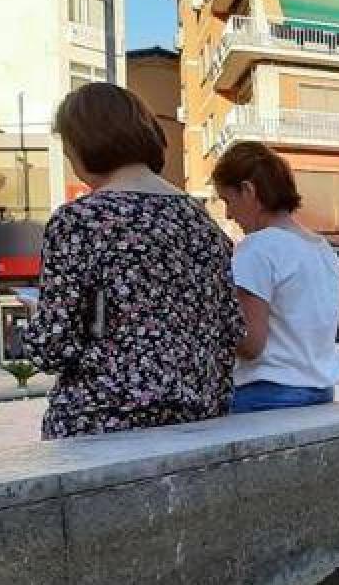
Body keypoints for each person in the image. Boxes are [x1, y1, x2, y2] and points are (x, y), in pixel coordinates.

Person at [22, 82, 242, 439]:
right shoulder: (204, 224)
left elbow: (53, 345)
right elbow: (231, 330)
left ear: (84, 145)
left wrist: (35, 322)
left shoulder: (81, 220)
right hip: (198, 427)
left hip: (103, 426)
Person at [212, 141, 339, 413]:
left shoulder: (257, 247)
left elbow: (250, 343)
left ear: (248, 190)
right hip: (320, 393)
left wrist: (205, 318)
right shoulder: (321, 248)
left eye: (228, 200)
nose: (228, 214)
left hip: (265, 395)